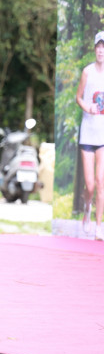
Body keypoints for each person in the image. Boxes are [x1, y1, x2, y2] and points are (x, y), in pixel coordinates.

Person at [76, 30, 104, 240]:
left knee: (101, 181)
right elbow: (78, 97)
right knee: (91, 185)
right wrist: (88, 107)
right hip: (87, 134)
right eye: (99, 47)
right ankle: (87, 208)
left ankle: (98, 225)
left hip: (102, 135)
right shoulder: (87, 72)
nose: (101, 51)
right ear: (95, 49)